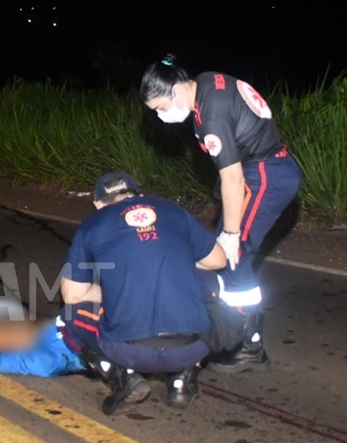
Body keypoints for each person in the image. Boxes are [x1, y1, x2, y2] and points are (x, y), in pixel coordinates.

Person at [140, 55, 303, 373]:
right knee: (222, 255)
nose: (161, 116)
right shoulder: (206, 81)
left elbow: (233, 178)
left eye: (160, 107)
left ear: (176, 88)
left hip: (265, 176)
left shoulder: (209, 117)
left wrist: (230, 235)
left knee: (232, 256)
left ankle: (248, 344)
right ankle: (226, 331)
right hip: (264, 167)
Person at [59, 171, 228, 415]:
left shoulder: (92, 225)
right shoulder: (173, 211)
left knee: (70, 315)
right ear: (140, 195)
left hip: (131, 352)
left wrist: (117, 292)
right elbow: (218, 260)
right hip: (192, 348)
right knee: (207, 279)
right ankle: (182, 379)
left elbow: (72, 295)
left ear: (98, 204)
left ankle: (123, 378)